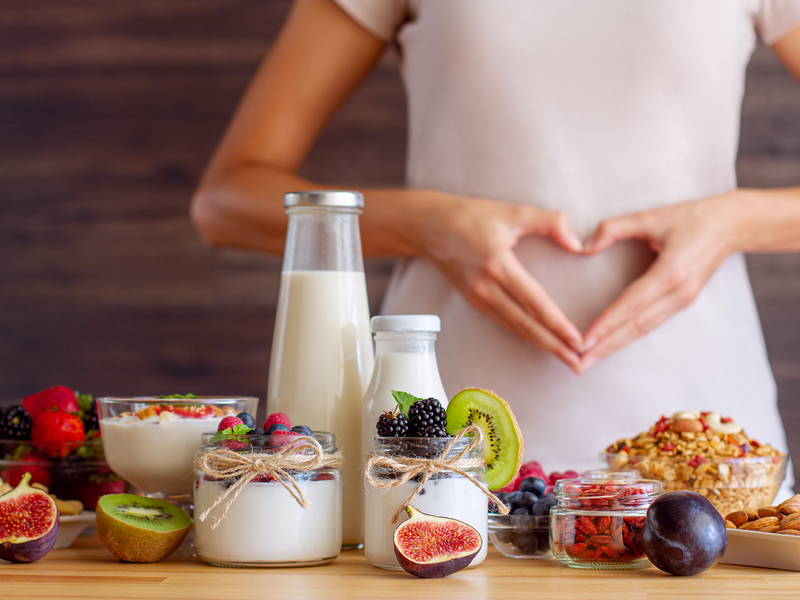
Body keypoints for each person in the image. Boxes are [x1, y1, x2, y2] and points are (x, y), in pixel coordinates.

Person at [191, 0, 800, 487]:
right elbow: (227, 201)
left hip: (718, 458)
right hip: (441, 461)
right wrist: (425, 223)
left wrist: (734, 221)